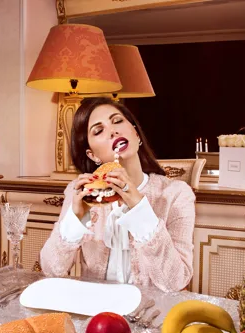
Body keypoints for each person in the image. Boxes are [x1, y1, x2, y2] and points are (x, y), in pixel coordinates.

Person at [40, 97, 195, 292]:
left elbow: (175, 282)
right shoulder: (79, 192)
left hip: (153, 316)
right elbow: (51, 270)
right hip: (96, 313)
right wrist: (75, 218)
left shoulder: (176, 194)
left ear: (136, 134)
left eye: (117, 121)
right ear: (92, 155)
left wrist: (139, 208)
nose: (113, 131)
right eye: (98, 130)